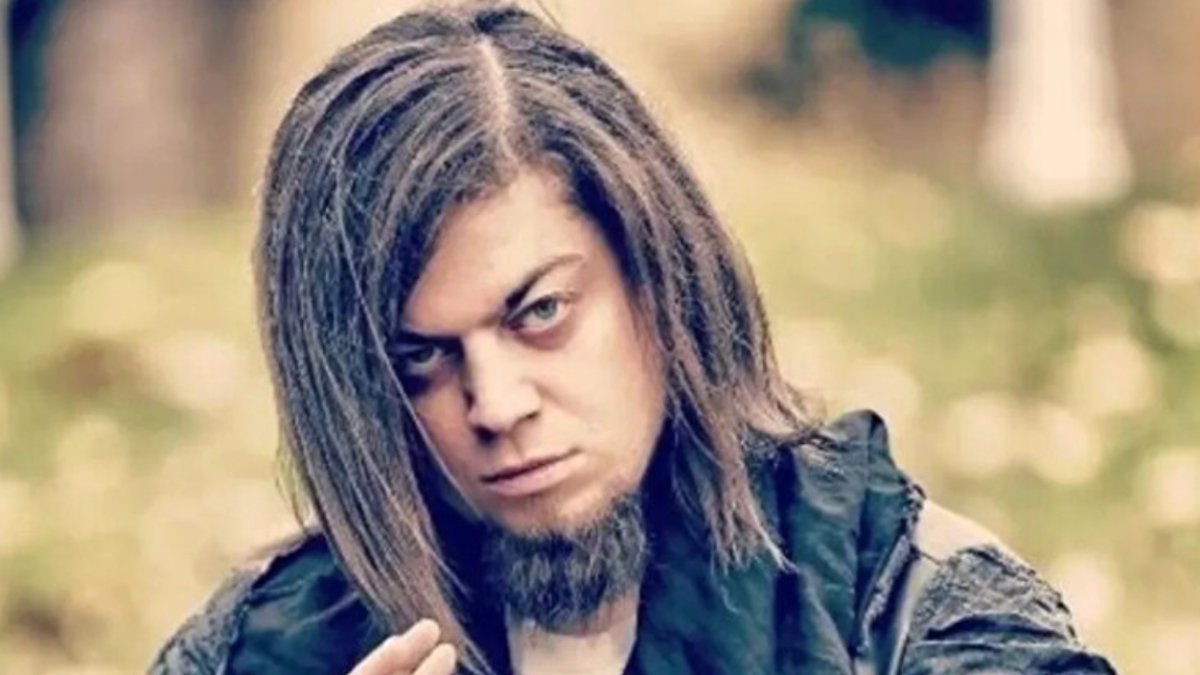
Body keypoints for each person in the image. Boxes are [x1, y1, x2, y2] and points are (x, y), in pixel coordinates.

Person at [149, 2, 1116, 674]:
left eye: (539, 313)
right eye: (422, 359)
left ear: (658, 277)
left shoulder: (908, 604)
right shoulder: (254, 651)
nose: (497, 404)